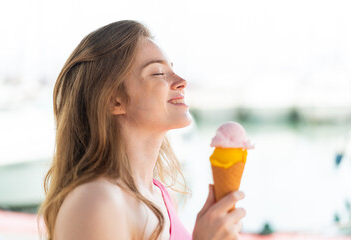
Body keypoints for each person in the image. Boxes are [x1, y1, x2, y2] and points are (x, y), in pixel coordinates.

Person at [38, 20, 246, 240]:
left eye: (172, 69)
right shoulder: (96, 201)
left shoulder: (162, 197)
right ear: (114, 100)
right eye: (157, 73)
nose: (181, 82)